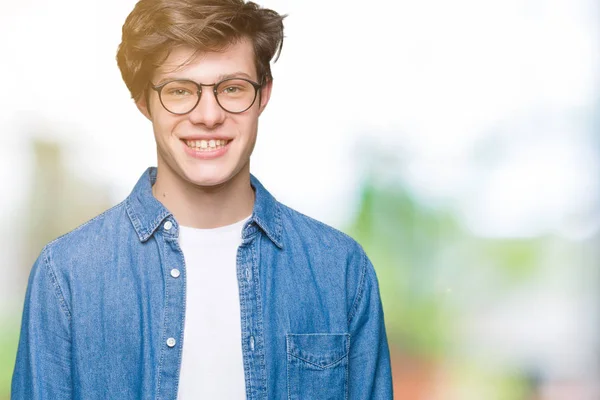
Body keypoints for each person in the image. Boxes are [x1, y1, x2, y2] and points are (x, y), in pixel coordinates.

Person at [11, 0, 393, 398]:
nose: (208, 115)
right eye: (180, 90)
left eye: (231, 88)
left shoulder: (342, 270)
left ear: (263, 95)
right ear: (144, 101)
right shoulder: (67, 275)